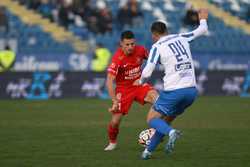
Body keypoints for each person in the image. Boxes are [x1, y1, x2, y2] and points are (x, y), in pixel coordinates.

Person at [135, 9, 209, 159]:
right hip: (191, 92)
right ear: (167, 31)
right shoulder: (181, 37)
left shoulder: (157, 46)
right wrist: (202, 19)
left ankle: (171, 132)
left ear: (154, 35)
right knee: (166, 120)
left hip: (174, 91)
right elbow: (202, 30)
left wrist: (140, 81)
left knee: (152, 119)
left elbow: (148, 72)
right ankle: (147, 152)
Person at [104, 30, 158, 151]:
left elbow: (153, 60)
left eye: (132, 44)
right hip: (123, 90)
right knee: (115, 122)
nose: (130, 47)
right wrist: (114, 101)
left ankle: (157, 131)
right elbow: (109, 81)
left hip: (138, 85)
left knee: (158, 100)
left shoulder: (141, 50)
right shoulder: (117, 59)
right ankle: (112, 142)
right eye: (127, 44)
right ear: (121, 44)